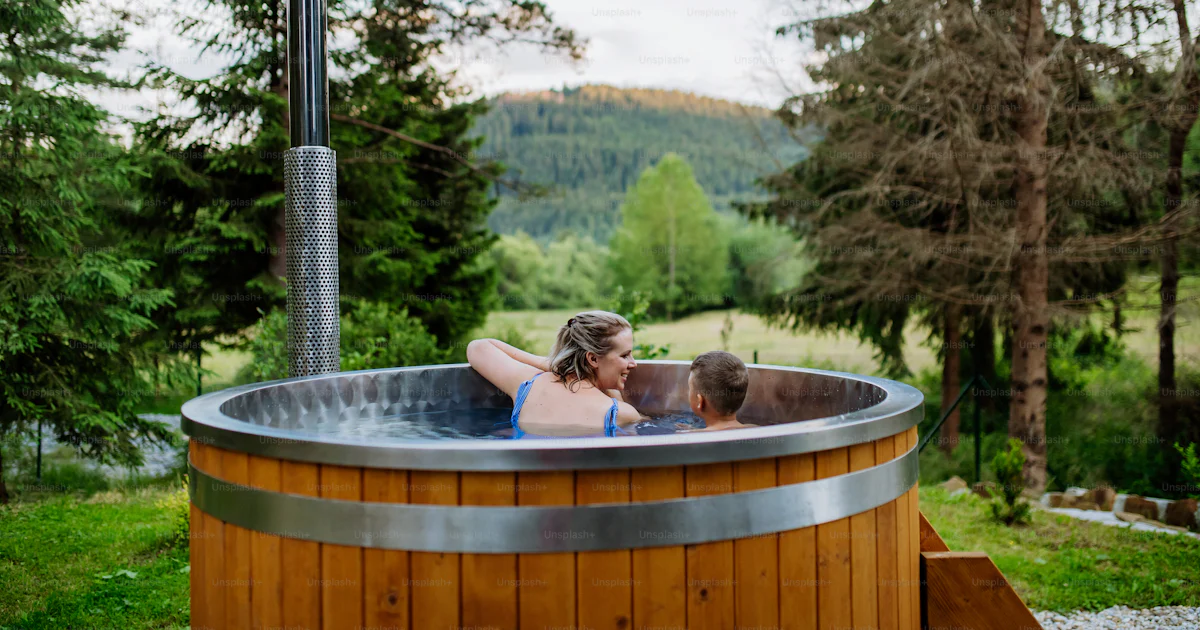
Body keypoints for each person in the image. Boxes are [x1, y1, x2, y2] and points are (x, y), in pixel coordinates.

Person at [466, 310, 643, 437]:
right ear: (593, 359)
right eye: (625, 355)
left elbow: (478, 347)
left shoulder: (529, 384)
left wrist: (554, 365)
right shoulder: (619, 414)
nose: (633, 363)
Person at [685, 350, 754, 431]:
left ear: (700, 401)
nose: (687, 392)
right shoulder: (753, 429)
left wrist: (692, 430)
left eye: (690, 389)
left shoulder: (690, 436)